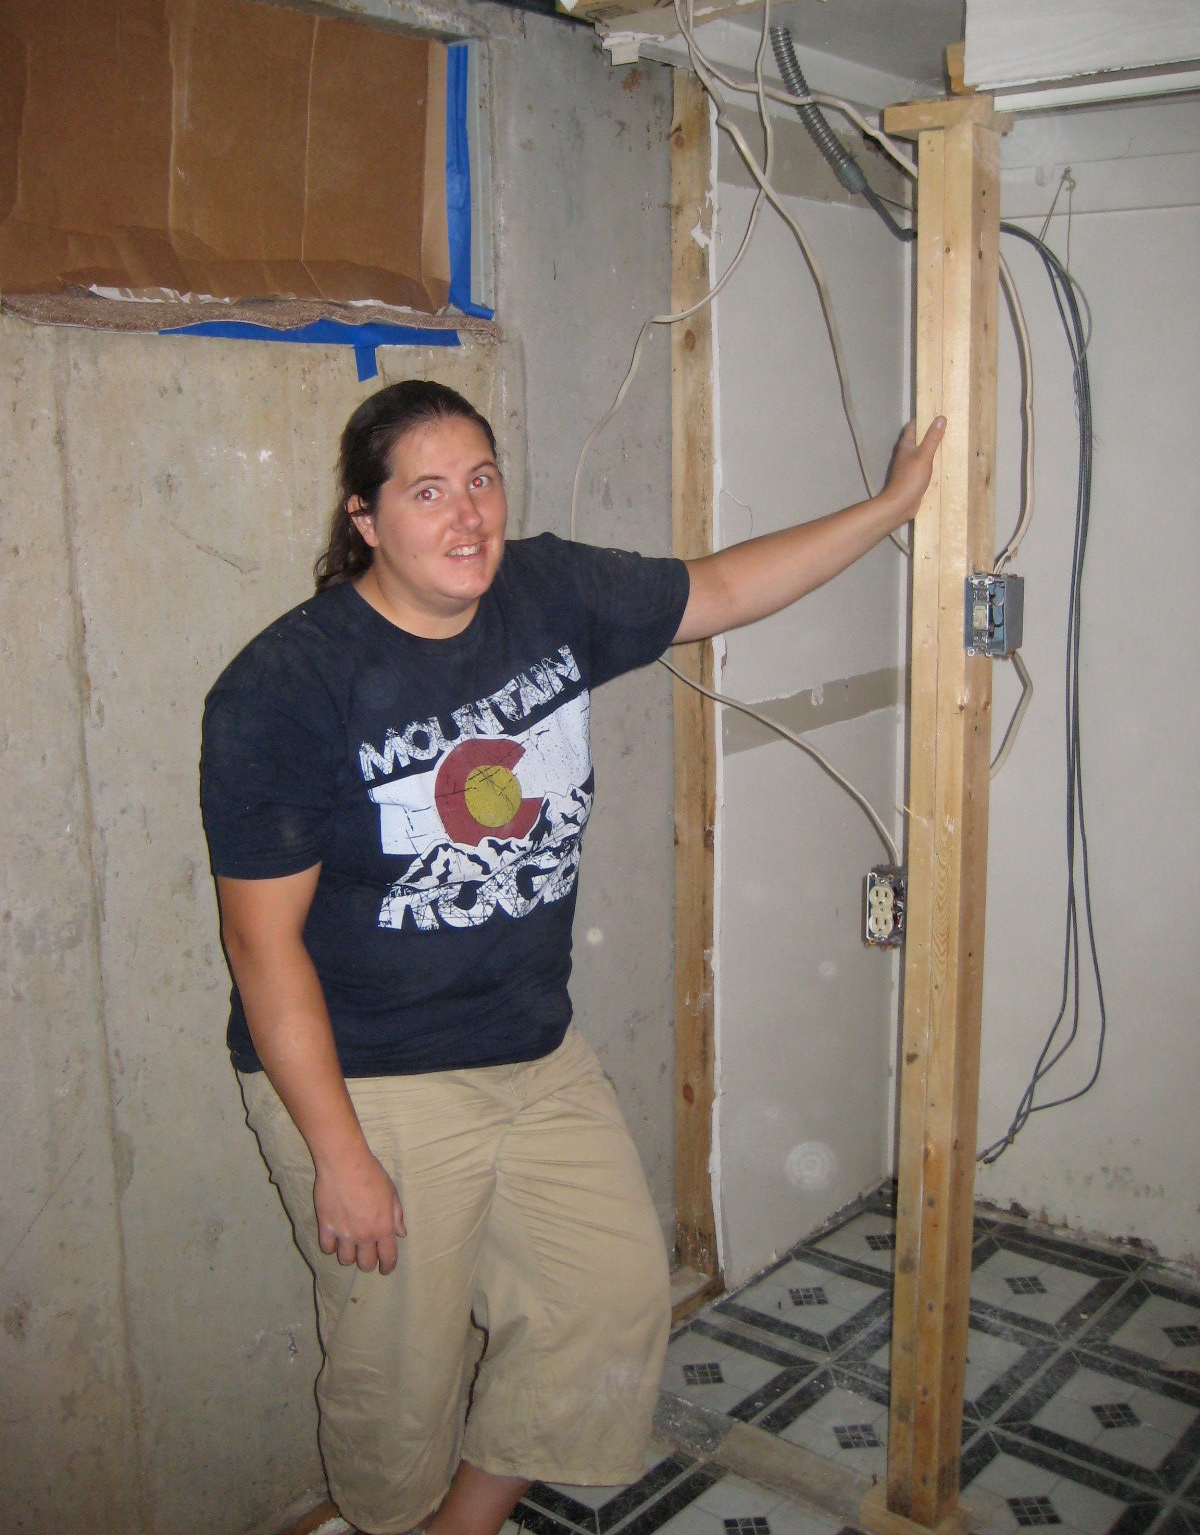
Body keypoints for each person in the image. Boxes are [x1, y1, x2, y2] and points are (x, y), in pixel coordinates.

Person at [200, 381, 943, 1535]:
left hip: (530, 1047)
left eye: (483, 480)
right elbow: (262, 946)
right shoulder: (287, 687)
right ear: (364, 516)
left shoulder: (547, 592)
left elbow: (728, 584)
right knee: (399, 1390)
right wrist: (338, 1154)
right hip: (369, 1078)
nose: (468, 518)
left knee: (605, 1298)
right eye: (428, 491)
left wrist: (891, 507)